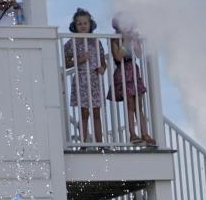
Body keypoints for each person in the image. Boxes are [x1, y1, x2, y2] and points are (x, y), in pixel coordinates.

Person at [108, 16, 154, 145]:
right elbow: (117, 57)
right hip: (123, 70)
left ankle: (145, 133)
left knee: (138, 105)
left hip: (133, 70)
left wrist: (135, 42)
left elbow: (139, 55)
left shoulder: (133, 36)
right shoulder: (115, 38)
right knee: (130, 104)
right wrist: (124, 43)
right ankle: (133, 134)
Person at [63, 8, 106, 143]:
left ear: (90, 24)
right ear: (75, 26)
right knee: (84, 113)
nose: (83, 26)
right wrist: (80, 59)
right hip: (82, 79)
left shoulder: (96, 41)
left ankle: (100, 143)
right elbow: (66, 63)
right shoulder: (71, 43)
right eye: (79, 23)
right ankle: (83, 143)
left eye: (85, 23)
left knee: (96, 113)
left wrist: (102, 68)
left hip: (94, 80)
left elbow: (103, 61)